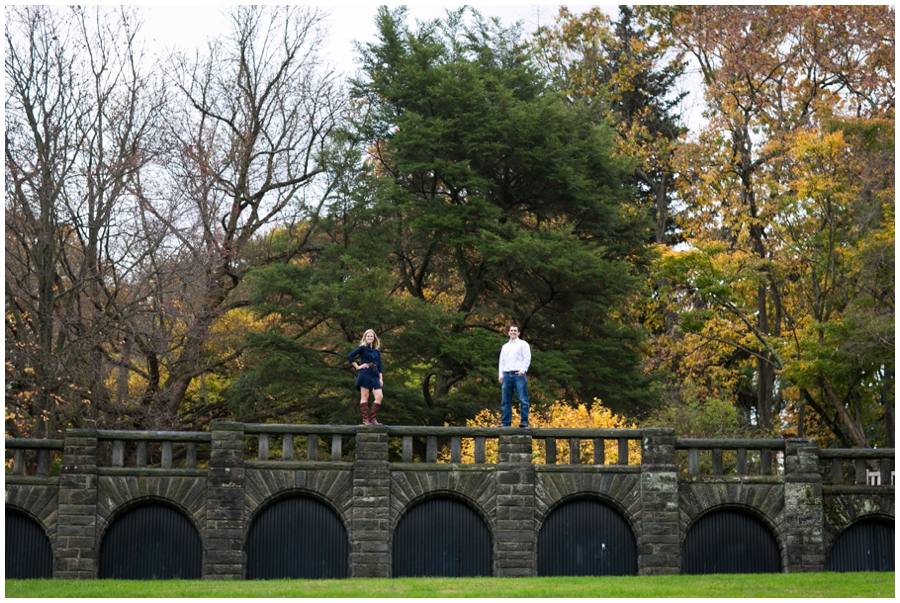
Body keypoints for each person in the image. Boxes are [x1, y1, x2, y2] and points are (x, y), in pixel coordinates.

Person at [348, 329, 385, 426]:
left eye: (371, 336)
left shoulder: (377, 351)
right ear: (365, 337)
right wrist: (358, 367)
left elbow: (380, 365)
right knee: (365, 396)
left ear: (374, 338)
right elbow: (350, 356)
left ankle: (373, 419)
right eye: (368, 336)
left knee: (379, 396)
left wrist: (380, 378)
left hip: (375, 374)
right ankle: (365, 420)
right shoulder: (362, 348)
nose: (370, 338)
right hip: (365, 373)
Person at [498, 325, 531, 427]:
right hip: (507, 375)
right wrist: (501, 375)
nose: (513, 332)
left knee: (523, 399)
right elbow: (501, 361)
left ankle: (524, 421)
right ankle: (505, 423)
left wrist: (522, 370)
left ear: (518, 333)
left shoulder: (523, 344)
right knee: (505, 400)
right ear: (508, 332)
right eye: (511, 330)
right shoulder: (505, 347)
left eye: (515, 330)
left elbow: (527, 358)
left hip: (518, 375)